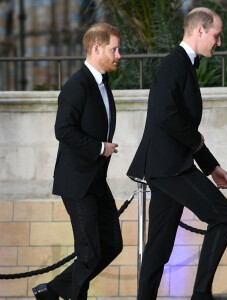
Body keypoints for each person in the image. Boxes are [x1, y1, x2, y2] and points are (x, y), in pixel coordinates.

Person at [127, 7, 227, 300]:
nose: (219, 42)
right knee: (225, 216)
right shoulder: (173, 65)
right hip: (170, 168)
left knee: (160, 246)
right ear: (199, 30)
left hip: (168, 167)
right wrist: (203, 154)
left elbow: (184, 128)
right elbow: (168, 117)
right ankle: (201, 294)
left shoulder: (183, 65)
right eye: (216, 35)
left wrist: (211, 166)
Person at [32, 23, 123, 300]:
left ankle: (53, 290)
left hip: (96, 181)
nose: (119, 55)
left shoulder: (103, 83)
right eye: (114, 49)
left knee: (111, 245)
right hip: (78, 182)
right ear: (96, 48)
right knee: (89, 251)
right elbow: (64, 130)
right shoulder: (76, 85)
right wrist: (100, 148)